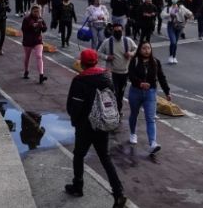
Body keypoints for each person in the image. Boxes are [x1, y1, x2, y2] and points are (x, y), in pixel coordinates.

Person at [64, 49, 126, 207]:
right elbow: (114, 100)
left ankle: (78, 185)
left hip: (85, 125)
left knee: (78, 155)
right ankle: (118, 192)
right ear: (96, 61)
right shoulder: (107, 78)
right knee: (105, 157)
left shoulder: (80, 80)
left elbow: (74, 106)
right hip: (102, 124)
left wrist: (74, 120)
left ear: (82, 63)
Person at [127, 41, 170, 155]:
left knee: (150, 118)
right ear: (139, 50)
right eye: (144, 48)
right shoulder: (134, 61)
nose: (146, 50)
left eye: (148, 48)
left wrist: (167, 92)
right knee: (134, 114)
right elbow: (130, 75)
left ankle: (153, 143)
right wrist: (140, 83)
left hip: (150, 93)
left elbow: (161, 77)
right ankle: (132, 133)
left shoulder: (155, 62)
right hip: (136, 92)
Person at [98, 23, 136, 116]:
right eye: (116, 31)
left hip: (124, 72)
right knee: (113, 92)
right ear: (112, 31)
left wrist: (130, 54)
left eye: (119, 31)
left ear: (122, 31)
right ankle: (112, 111)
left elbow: (136, 50)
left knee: (120, 94)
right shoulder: (107, 42)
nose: (118, 33)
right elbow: (98, 53)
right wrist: (107, 57)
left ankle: (118, 110)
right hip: (112, 73)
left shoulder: (128, 41)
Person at [21, 5, 48, 83]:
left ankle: (41, 75)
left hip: (37, 41)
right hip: (28, 41)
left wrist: (42, 26)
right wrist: (32, 26)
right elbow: (23, 29)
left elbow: (45, 29)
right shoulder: (26, 19)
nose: (37, 13)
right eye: (35, 11)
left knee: (39, 56)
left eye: (38, 11)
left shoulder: (40, 19)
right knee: (27, 57)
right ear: (31, 11)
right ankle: (26, 71)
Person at [161, 0, 193, 64]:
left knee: (175, 43)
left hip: (179, 26)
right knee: (173, 41)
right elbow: (162, 16)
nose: (175, 2)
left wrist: (189, 15)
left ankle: (174, 56)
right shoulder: (167, 8)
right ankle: (170, 56)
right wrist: (169, 15)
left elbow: (189, 13)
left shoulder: (181, 8)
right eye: (173, 0)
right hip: (171, 25)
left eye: (176, 1)